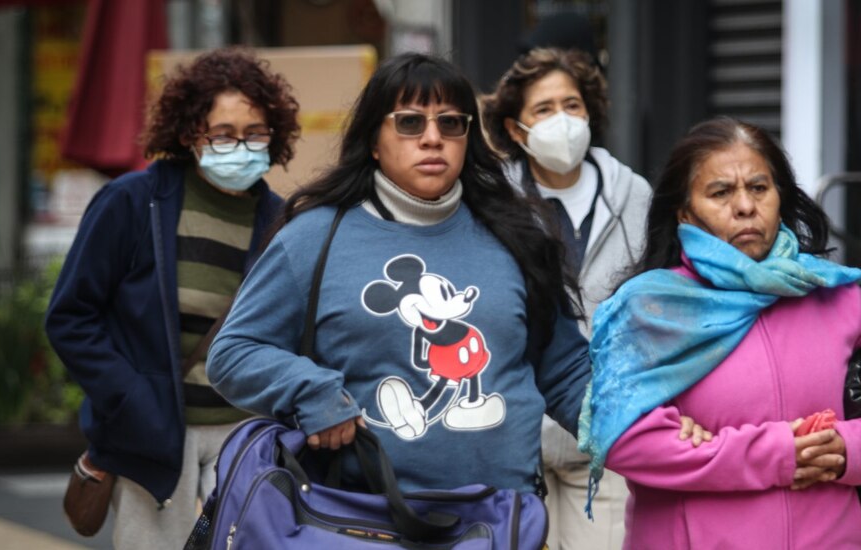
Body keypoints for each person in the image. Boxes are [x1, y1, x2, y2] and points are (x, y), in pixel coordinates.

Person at [205, 52, 600, 499]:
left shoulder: (517, 236)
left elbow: (565, 371)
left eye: (451, 123)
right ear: (374, 140)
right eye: (410, 123)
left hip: (504, 515)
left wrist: (637, 430)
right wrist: (312, 392)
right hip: (360, 516)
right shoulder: (313, 239)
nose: (433, 138)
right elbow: (233, 353)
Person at [578, 117, 861, 549]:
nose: (745, 206)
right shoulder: (652, 308)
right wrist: (775, 454)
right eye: (720, 192)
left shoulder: (829, 293)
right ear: (685, 212)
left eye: (759, 188)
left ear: (780, 196)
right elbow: (627, 440)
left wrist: (849, 448)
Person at [45, 48, 298, 550]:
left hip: (247, 436)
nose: (241, 147)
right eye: (223, 134)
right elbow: (71, 317)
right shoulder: (132, 202)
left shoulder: (284, 222)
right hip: (153, 434)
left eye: (255, 134)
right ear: (189, 134)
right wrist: (129, 399)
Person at [482, 46, 648, 550]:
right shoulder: (491, 203)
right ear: (515, 130)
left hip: (603, 436)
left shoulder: (636, 197)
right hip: (513, 440)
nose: (563, 120)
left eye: (571, 105)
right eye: (544, 109)